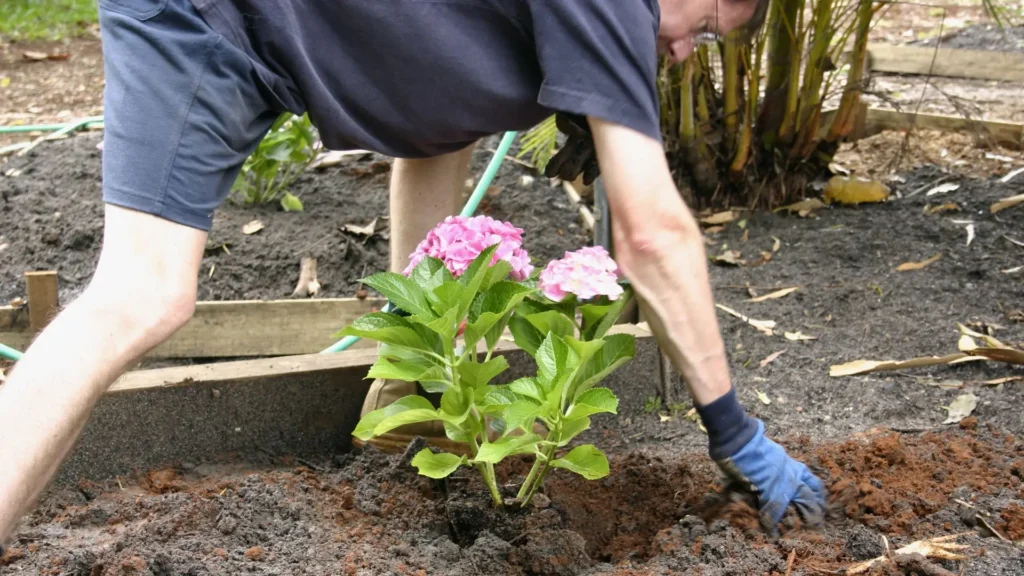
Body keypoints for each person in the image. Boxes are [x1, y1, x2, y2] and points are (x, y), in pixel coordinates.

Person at [0, 0, 826, 551]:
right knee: (141, 294)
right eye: (711, 26)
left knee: (143, 296)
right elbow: (651, 229)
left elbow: (433, 135)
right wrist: (733, 432)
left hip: (247, 28)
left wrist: (419, 371)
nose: (687, 51)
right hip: (206, 16)